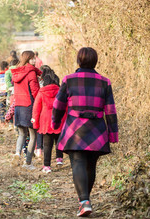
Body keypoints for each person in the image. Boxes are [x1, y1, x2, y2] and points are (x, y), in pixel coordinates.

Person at [52, 47, 118, 217]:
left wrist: (55, 122)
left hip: (75, 129)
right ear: (95, 61)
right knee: (91, 164)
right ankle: (85, 201)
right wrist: (113, 133)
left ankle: (84, 201)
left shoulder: (69, 80)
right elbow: (110, 110)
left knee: (78, 162)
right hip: (97, 130)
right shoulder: (105, 82)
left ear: (78, 61)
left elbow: (58, 105)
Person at [11, 51, 42, 169]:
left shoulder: (17, 72)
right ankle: (28, 163)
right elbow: (35, 91)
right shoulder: (31, 73)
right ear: (28, 59)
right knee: (33, 135)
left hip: (18, 106)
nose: (34, 61)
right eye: (32, 59)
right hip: (29, 107)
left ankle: (17, 153)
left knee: (22, 134)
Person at [32, 67, 64, 173]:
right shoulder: (60, 91)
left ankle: (47, 166)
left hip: (45, 122)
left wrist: (35, 124)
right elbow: (65, 107)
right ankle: (59, 158)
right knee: (58, 141)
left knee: (47, 145)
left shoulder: (41, 93)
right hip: (58, 120)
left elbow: (36, 110)